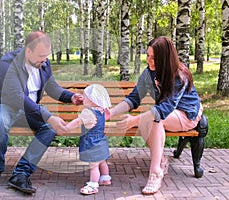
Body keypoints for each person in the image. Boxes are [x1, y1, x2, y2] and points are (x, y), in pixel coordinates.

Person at [0, 31, 84, 194]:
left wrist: (71, 97)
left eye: (46, 55)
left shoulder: (44, 64)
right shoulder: (8, 62)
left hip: (28, 110)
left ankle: (21, 173)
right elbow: (16, 97)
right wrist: (49, 117)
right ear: (28, 51)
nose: (45, 60)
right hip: (3, 105)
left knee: (49, 129)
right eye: (41, 55)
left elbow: (53, 88)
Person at [108, 36, 203, 195]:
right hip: (167, 113)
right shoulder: (148, 73)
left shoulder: (179, 75)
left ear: (165, 59)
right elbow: (134, 98)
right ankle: (160, 161)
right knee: (150, 118)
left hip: (187, 115)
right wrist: (111, 112)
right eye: (148, 56)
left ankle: (155, 172)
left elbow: (166, 108)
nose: (150, 61)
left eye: (154, 58)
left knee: (154, 118)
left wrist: (135, 120)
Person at [65, 84, 112, 195]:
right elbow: (107, 116)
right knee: (102, 160)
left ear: (92, 99)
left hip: (92, 142)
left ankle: (93, 184)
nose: (82, 99)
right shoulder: (102, 110)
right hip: (101, 139)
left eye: (85, 97)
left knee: (94, 165)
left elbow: (77, 121)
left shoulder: (88, 112)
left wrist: (66, 128)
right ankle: (105, 178)